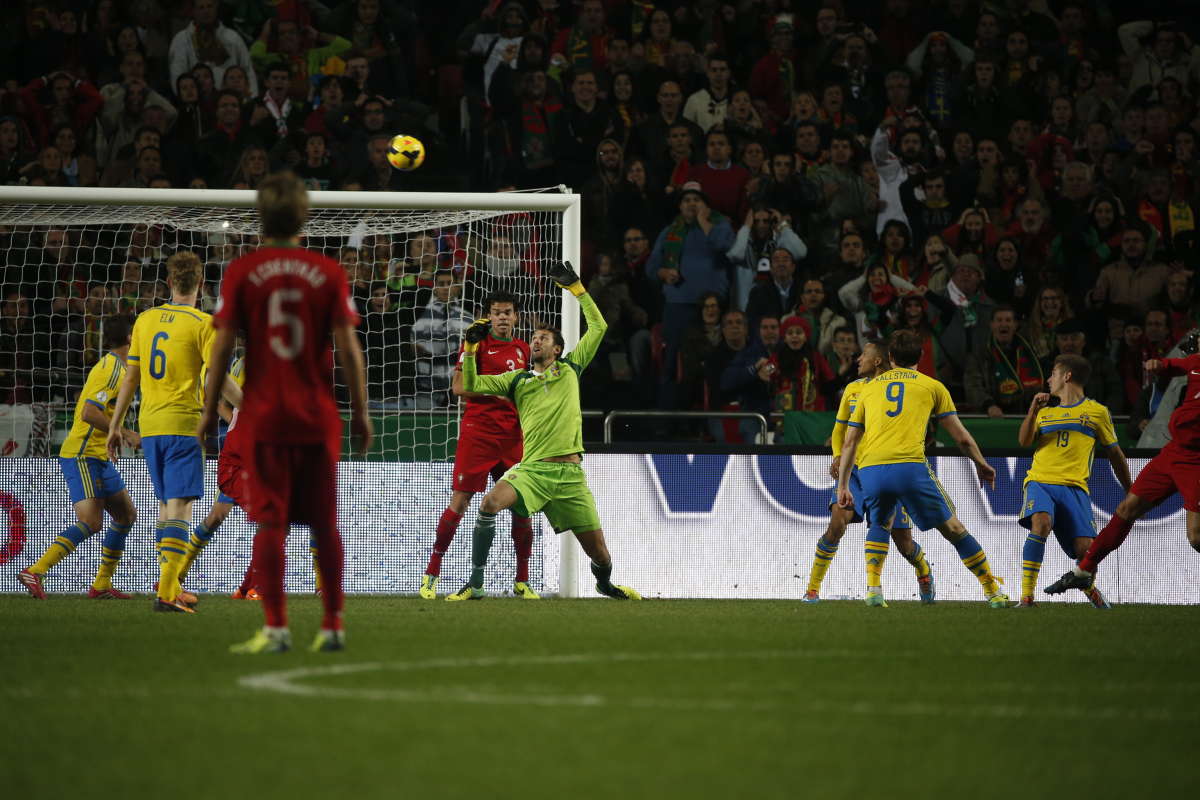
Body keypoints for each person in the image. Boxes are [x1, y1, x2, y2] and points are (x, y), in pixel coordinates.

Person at [198, 171, 373, 654]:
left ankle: (275, 628)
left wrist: (208, 411)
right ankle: (332, 625)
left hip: (266, 416)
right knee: (324, 522)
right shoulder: (328, 271)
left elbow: (220, 349)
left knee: (271, 523)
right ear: (304, 216)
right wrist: (360, 411)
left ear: (260, 216)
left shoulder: (242, 272)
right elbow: (349, 349)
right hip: (317, 414)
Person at [448, 261, 639, 601]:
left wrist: (578, 290)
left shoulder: (571, 369)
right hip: (533, 471)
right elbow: (472, 384)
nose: (535, 341)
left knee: (600, 554)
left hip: (570, 477)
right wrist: (472, 350)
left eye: (544, 338)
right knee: (489, 504)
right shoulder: (517, 380)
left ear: (557, 349)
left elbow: (598, 327)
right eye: (534, 337)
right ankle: (475, 584)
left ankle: (605, 583)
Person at [837, 330, 1009, 608]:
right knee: (953, 528)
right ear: (921, 355)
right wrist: (981, 463)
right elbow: (962, 438)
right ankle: (992, 590)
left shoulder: (867, 388)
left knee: (880, 523)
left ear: (890, 357)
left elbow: (850, 442)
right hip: (909, 466)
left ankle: (874, 589)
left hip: (872, 469)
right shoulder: (932, 386)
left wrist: (844, 485)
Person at [105, 251, 228, 613]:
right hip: (183, 424)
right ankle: (167, 593)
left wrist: (115, 426)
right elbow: (216, 378)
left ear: (169, 282)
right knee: (180, 507)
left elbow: (131, 377)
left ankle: (170, 585)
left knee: (165, 507)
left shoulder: (145, 320)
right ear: (201, 284)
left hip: (150, 426)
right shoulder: (203, 323)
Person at [1046, 334, 1200, 601]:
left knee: (1196, 537)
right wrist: (1157, 364)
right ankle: (1084, 570)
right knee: (1127, 509)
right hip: (1172, 453)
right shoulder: (1196, 362)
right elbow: (1172, 365)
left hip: (1196, 462)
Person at [420, 291, 536, 600]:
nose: (502, 317)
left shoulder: (523, 349)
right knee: (460, 502)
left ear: (516, 317)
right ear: (488, 316)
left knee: (522, 506)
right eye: (496, 312)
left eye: (507, 312)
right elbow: (458, 387)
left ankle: (522, 580)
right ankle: (431, 574)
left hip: (513, 436)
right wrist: (497, 392)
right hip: (479, 433)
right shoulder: (475, 345)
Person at [802, 338, 935, 604]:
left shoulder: (898, 389)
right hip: (854, 472)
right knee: (836, 525)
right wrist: (838, 456)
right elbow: (839, 429)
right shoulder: (853, 389)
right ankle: (812, 588)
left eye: (864, 354)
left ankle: (923, 572)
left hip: (886, 469)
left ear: (877, 360)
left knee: (904, 544)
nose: (858, 359)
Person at [18, 318, 140, 600]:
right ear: (130, 338)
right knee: (91, 521)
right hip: (82, 455)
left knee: (126, 515)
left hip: (99, 455)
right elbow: (88, 412)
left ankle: (101, 585)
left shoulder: (124, 368)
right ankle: (35, 571)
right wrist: (124, 433)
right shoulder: (111, 370)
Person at [1016, 355, 1132, 609]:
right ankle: (1026, 597)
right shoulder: (1044, 412)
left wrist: (1130, 490)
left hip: (1075, 487)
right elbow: (1024, 441)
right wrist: (1032, 410)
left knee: (1086, 550)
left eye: (1053, 374)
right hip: (1040, 481)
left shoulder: (1097, 412)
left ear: (1067, 376)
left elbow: (1115, 453)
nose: (1049, 379)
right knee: (1041, 522)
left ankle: (1088, 586)